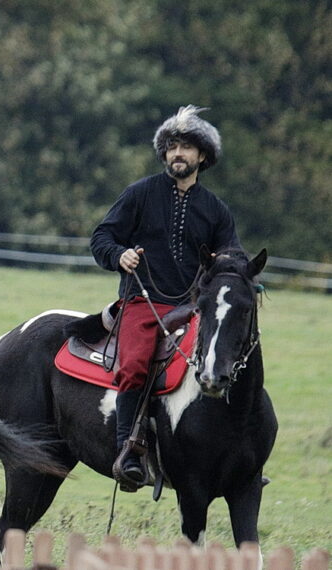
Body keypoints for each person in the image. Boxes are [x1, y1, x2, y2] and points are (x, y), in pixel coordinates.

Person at [90, 105, 241, 491]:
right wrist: (118, 254)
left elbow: (231, 256)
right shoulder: (139, 193)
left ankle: (237, 456)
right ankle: (129, 450)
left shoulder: (216, 211)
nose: (178, 153)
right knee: (136, 365)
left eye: (187, 147)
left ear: (202, 156)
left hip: (194, 307)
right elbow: (102, 237)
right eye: (172, 146)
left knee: (225, 360)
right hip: (143, 302)